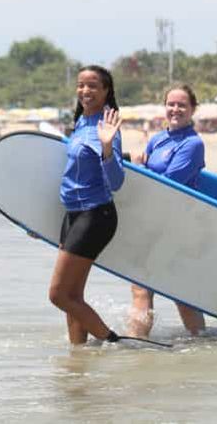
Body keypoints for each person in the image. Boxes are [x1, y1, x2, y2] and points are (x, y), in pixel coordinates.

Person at [49, 65, 168, 348]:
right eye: (81, 85)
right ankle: (78, 360)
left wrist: (107, 147)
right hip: (74, 214)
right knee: (73, 297)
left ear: (105, 92)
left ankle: (114, 342)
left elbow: (115, 182)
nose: (85, 91)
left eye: (92, 86)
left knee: (59, 295)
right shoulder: (80, 123)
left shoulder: (106, 126)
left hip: (95, 215)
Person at [127, 84, 206, 338]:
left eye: (182, 105)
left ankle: (139, 344)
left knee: (179, 295)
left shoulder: (193, 144)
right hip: (152, 222)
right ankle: (140, 343)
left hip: (176, 225)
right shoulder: (158, 139)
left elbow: (169, 183)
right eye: (171, 104)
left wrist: (140, 167)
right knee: (142, 288)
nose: (175, 109)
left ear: (193, 109)